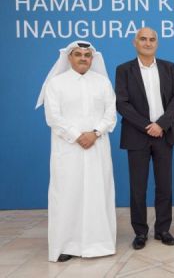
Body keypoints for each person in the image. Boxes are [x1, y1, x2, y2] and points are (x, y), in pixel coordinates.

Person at [36, 41, 116, 262]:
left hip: (97, 146)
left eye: (87, 55)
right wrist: (77, 135)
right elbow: (53, 117)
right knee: (67, 195)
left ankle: (98, 243)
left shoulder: (103, 83)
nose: (83, 58)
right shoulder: (56, 83)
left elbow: (110, 113)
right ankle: (65, 245)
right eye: (78, 54)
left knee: (98, 193)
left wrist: (95, 132)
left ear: (93, 58)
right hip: (68, 148)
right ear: (69, 58)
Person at [115, 27, 174, 250]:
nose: (148, 42)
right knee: (138, 188)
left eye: (152, 39)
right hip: (137, 136)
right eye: (143, 39)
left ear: (157, 43)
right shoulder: (124, 69)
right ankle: (140, 232)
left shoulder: (168, 67)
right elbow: (121, 103)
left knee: (165, 186)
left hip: (163, 135)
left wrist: (161, 124)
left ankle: (163, 229)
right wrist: (147, 126)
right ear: (135, 42)